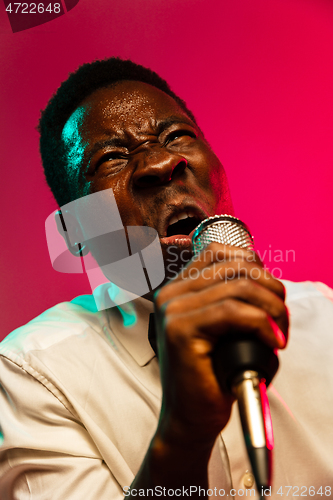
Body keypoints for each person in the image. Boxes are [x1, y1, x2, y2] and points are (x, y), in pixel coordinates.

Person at [0, 58, 333, 499]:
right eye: (112, 158)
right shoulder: (32, 373)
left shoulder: (326, 318)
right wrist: (184, 432)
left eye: (176, 136)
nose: (160, 163)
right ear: (75, 230)